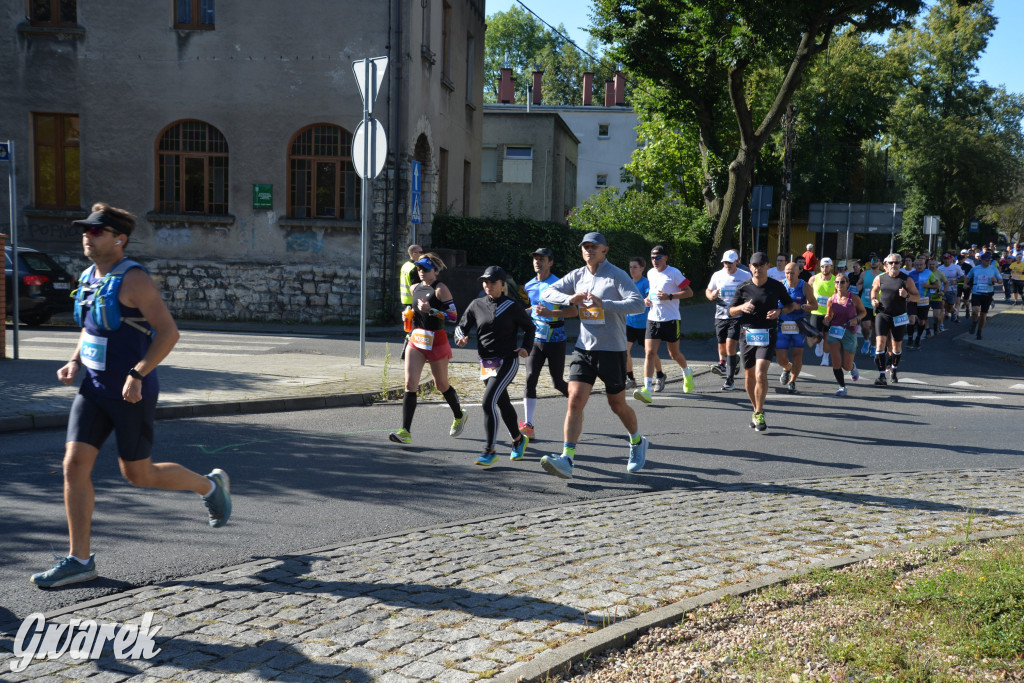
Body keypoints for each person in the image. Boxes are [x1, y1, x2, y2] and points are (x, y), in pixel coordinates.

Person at [30, 203, 232, 589]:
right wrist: (74, 361)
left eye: (95, 231)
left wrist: (138, 374)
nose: (87, 236)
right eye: (85, 231)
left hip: (130, 392)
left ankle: (209, 486)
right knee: (74, 465)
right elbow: (91, 329)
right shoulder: (90, 275)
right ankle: (79, 559)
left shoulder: (134, 279)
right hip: (94, 388)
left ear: (118, 239)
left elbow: (168, 333)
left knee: (138, 474)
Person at [538, 232, 648, 479]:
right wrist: (570, 298)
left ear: (605, 250)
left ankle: (637, 441)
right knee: (574, 400)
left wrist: (604, 304)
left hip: (613, 350)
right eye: (585, 247)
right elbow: (547, 292)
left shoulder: (616, 275)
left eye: (594, 247)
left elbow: (638, 304)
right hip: (584, 349)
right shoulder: (577, 275)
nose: (588, 250)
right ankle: (567, 458)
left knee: (617, 405)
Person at [455, 266, 535, 466]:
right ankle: (518, 440)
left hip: (507, 361)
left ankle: (489, 450)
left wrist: (526, 348)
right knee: (502, 402)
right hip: (486, 363)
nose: (488, 285)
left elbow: (530, 327)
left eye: (493, 282)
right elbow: (460, 327)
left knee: (487, 402)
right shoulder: (476, 304)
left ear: (502, 285)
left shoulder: (511, 306)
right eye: (485, 282)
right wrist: (461, 337)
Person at [389, 253, 467, 445]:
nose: (421, 272)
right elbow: (412, 309)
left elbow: (453, 317)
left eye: (425, 269)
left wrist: (431, 310)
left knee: (441, 385)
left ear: (435, 271)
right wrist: (407, 315)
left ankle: (459, 414)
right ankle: (405, 431)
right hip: (416, 338)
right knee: (410, 384)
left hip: (437, 340)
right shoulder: (414, 287)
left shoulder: (441, 290)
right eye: (419, 268)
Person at [727, 252, 796, 431]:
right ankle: (755, 408)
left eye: (761, 265)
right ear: (750, 267)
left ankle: (759, 411)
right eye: (754, 265)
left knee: (760, 373)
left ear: (767, 266)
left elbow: (790, 305)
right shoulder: (743, 287)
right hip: (747, 334)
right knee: (749, 376)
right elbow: (731, 311)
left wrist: (779, 312)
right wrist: (742, 307)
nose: (757, 268)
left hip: (768, 333)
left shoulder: (776, 286)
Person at [520, 247, 576, 438]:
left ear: (550, 262)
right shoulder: (529, 285)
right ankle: (528, 425)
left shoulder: (559, 284)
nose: (537, 262)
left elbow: (573, 312)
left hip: (556, 337)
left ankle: (577, 403)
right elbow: (535, 307)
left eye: (542, 259)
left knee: (557, 382)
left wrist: (550, 313)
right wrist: (524, 313)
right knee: (530, 378)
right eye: (535, 258)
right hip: (536, 337)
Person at [633, 245, 695, 403]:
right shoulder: (650, 273)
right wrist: (647, 299)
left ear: (665, 258)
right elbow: (652, 291)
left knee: (674, 354)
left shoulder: (674, 273)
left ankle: (687, 371)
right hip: (653, 318)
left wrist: (670, 296)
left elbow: (689, 292)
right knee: (649, 353)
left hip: (671, 319)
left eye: (658, 257)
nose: (654, 260)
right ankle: (647, 389)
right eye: (652, 257)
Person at [870, 253, 920, 386]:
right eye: (891, 263)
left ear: (900, 264)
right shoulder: (880, 278)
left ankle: (893, 369)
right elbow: (874, 290)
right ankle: (881, 376)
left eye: (896, 263)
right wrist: (873, 300)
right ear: (886, 264)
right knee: (880, 343)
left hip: (899, 316)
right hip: (883, 314)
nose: (894, 265)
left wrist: (907, 295)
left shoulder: (906, 279)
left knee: (896, 346)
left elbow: (917, 297)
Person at [706, 249, 752, 391]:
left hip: (737, 316)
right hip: (720, 315)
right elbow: (708, 291)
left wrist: (747, 304)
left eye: (730, 263)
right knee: (722, 347)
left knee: (731, 345)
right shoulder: (717, 275)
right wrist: (711, 295)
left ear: (737, 262)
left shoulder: (745, 275)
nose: (727, 265)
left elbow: (752, 292)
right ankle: (730, 361)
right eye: (725, 262)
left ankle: (730, 380)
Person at [775, 261, 817, 394]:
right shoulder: (780, 285)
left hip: (798, 325)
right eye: (787, 272)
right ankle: (787, 368)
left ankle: (792, 382)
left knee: (797, 354)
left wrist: (802, 306)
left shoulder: (804, 286)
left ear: (799, 272)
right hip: (782, 324)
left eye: (792, 273)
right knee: (781, 357)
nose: (789, 275)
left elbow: (814, 305)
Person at [823, 273, 867, 396]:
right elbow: (829, 315)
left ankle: (852, 368)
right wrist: (826, 319)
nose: (839, 284)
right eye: (837, 282)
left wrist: (856, 319)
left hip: (849, 332)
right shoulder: (831, 299)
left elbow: (863, 312)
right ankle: (842, 387)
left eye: (842, 282)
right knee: (836, 362)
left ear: (847, 284)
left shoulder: (854, 298)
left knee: (846, 366)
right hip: (835, 332)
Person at [624, 256, 651, 389]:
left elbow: (649, 296)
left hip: (644, 325)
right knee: (625, 350)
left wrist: (646, 299)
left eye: (635, 267)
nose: (632, 270)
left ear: (642, 268)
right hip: (630, 323)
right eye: (630, 267)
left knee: (650, 353)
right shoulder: (628, 283)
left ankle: (659, 374)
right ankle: (631, 378)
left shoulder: (645, 282)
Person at [965, 252, 1003, 340]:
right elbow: (968, 277)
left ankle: (979, 332)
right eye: (986, 260)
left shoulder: (993, 269)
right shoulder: (975, 269)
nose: (988, 262)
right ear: (982, 260)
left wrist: (996, 280)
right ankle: (974, 323)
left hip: (988, 294)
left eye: (989, 260)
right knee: (975, 310)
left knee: (983, 315)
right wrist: (965, 284)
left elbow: (1001, 280)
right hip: (976, 293)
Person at [808, 257, 836, 362]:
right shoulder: (813, 279)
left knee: (827, 337)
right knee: (816, 335)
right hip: (816, 311)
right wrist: (808, 302)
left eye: (827, 266)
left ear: (831, 267)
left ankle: (825, 357)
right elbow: (808, 293)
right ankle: (818, 344)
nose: (825, 269)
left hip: (830, 312)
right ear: (820, 267)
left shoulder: (835, 280)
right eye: (822, 267)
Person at [856, 254, 882, 353]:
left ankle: (874, 346)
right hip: (865, 303)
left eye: (876, 260)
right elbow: (859, 284)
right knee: (865, 326)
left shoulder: (882, 275)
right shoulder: (864, 274)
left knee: (876, 328)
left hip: (876, 304)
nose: (873, 261)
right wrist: (859, 286)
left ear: (880, 263)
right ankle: (866, 341)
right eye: (872, 260)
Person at [938, 252, 964, 324]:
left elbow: (963, 278)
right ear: (943, 260)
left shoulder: (956, 267)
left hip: (952, 290)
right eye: (945, 259)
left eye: (948, 259)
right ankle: (941, 324)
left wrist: (956, 281)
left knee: (949, 308)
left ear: (951, 259)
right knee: (941, 305)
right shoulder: (940, 268)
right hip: (942, 289)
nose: (946, 260)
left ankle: (953, 311)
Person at [927, 257, 948, 334]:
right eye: (930, 264)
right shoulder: (925, 272)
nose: (931, 266)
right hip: (926, 296)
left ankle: (935, 325)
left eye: (933, 264)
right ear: (927, 265)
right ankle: (927, 330)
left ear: (936, 265)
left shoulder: (940, 273)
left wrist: (943, 291)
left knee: (936, 315)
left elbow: (946, 283)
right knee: (924, 314)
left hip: (937, 295)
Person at [399, 244, 424, 308]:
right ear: (414, 254)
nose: (423, 254)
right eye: (421, 252)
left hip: (405, 300)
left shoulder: (405, 265)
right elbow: (416, 287)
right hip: (413, 301)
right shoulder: (415, 268)